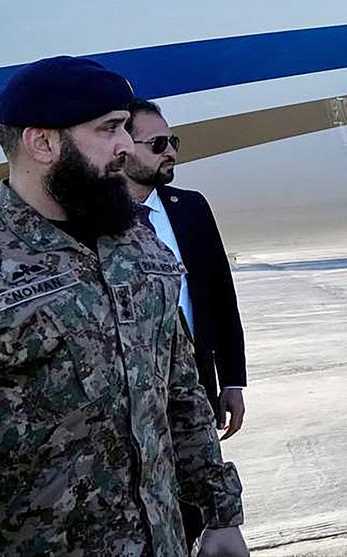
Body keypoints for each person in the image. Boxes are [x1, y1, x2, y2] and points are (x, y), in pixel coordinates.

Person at [0, 56, 248, 556]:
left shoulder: (140, 248)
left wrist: (220, 517)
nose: (125, 145)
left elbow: (180, 392)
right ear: (43, 142)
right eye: (109, 129)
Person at [124, 99, 249, 547]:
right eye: (158, 144)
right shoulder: (94, 221)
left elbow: (220, 297)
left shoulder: (191, 208)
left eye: (172, 141)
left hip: (194, 387)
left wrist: (232, 380)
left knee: (198, 507)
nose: (171, 152)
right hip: (131, 398)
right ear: (123, 147)